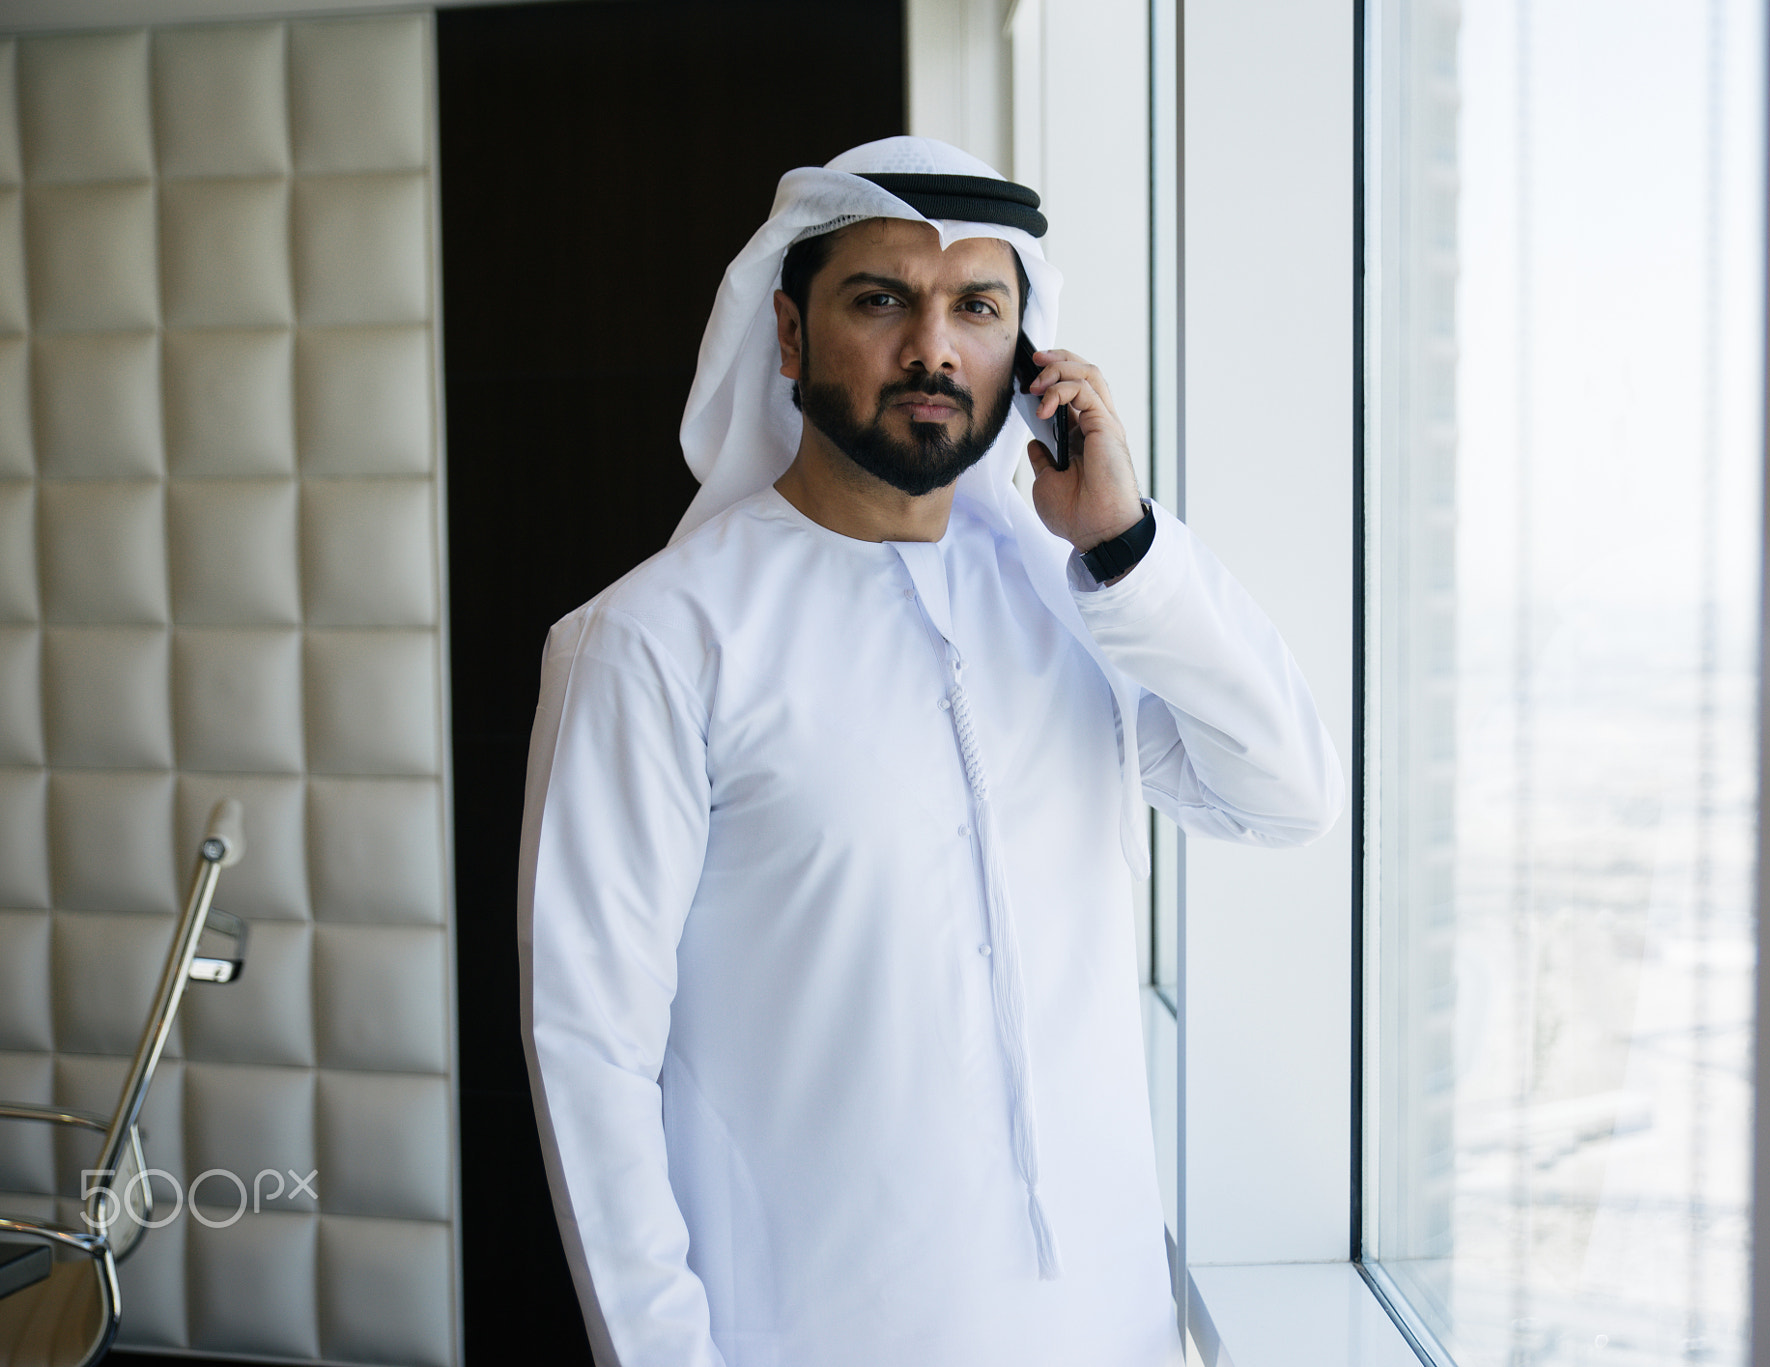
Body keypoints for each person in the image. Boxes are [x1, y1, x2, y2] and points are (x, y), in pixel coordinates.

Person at [518, 136, 1341, 1367]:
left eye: (977, 308)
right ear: (787, 335)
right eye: (880, 300)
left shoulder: (1075, 599)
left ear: (1028, 353)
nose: (933, 348)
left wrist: (1123, 542)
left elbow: (1284, 793)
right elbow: (591, 1053)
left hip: (1109, 1330)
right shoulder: (652, 643)